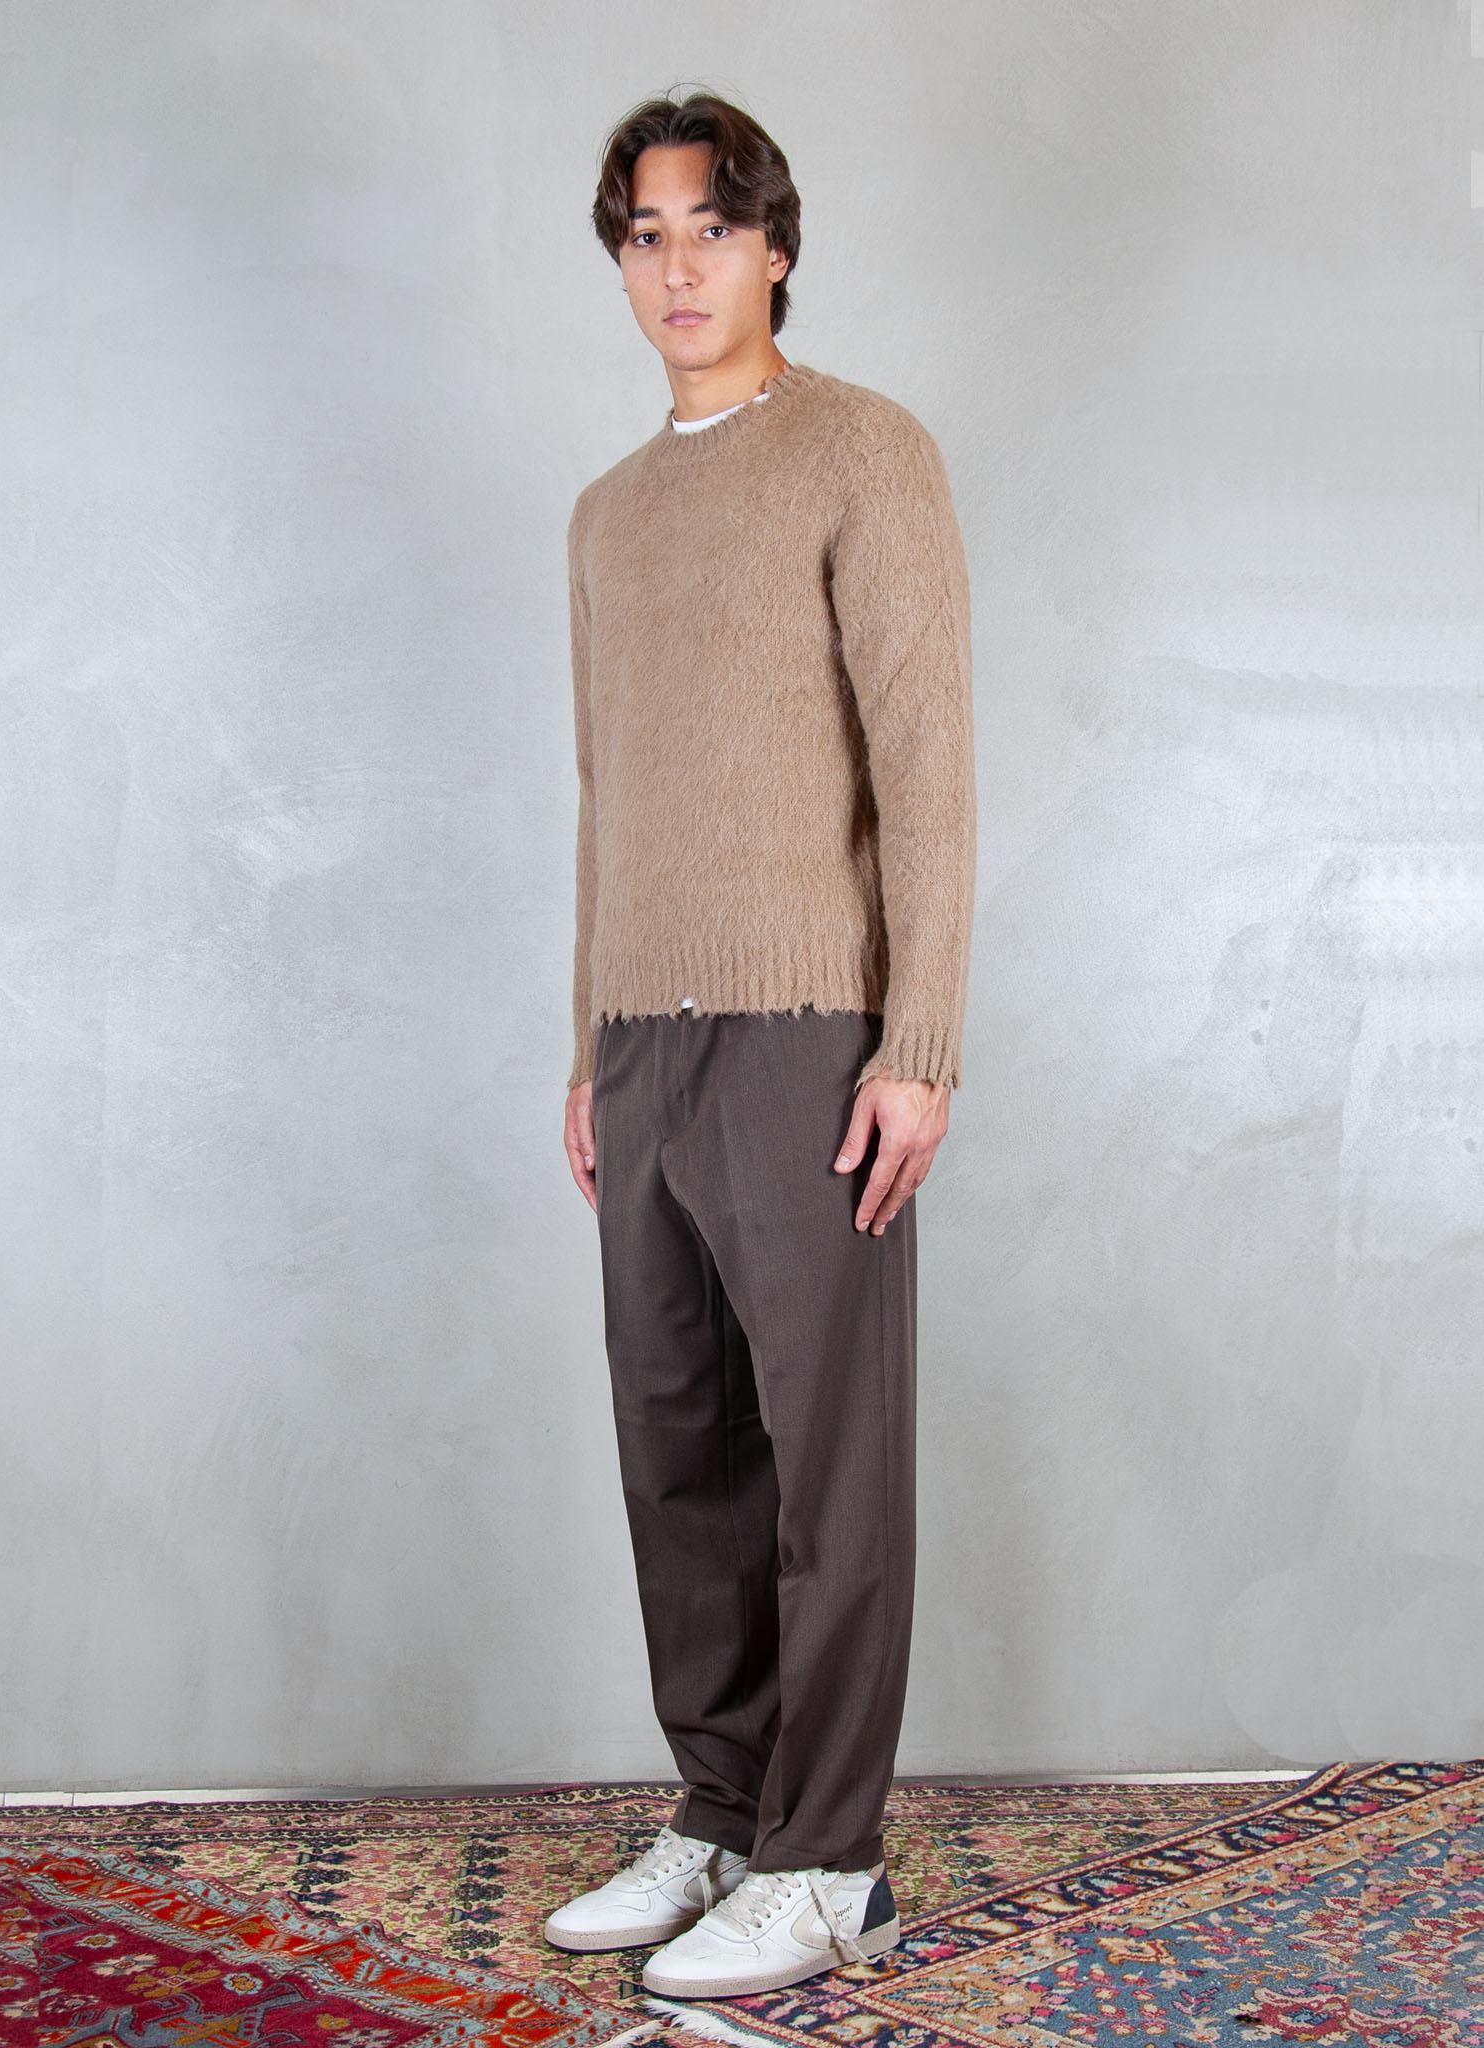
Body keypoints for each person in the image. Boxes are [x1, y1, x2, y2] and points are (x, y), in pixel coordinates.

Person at [545, 88, 976, 2003]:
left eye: (710, 228)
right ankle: (721, 1811)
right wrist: (586, 1045)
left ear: (775, 245)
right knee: (679, 1451)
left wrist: (919, 1041)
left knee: (826, 1464)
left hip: (812, 1032)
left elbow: (927, 768)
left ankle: (827, 1860)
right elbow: (605, 793)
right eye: (645, 233)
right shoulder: (605, 515)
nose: (678, 266)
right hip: (643, 1042)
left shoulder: (863, 450)